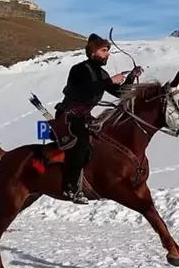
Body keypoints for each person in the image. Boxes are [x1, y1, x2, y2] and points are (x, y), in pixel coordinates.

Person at [54, 33, 143, 204]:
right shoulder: (79, 70)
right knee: (81, 144)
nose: (107, 53)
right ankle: (70, 188)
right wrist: (110, 80)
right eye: (103, 50)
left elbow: (120, 93)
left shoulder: (101, 73)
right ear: (93, 52)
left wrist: (131, 77)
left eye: (108, 50)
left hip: (85, 117)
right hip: (69, 116)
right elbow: (86, 90)